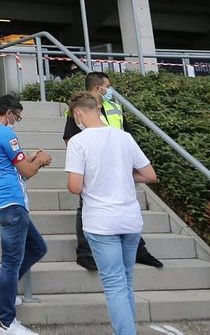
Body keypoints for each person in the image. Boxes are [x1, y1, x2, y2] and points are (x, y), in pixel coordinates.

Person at [64, 92, 158, 335]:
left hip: (100, 222)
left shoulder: (78, 142)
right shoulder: (124, 137)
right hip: (130, 219)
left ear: (77, 114)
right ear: (99, 109)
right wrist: (124, 175)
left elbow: (75, 186)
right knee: (125, 280)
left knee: (114, 285)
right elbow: (149, 175)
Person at [62, 72, 161, 270]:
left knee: (125, 211)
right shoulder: (77, 111)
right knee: (86, 208)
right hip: (95, 171)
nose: (110, 89)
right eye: (108, 85)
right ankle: (85, 253)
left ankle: (139, 251)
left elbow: (127, 134)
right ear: (98, 88)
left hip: (118, 168)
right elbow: (70, 138)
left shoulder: (114, 107)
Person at [0, 93, 51, 335]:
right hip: (12, 201)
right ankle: (7, 323)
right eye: (16, 117)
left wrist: (28, 159)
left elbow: (4, 162)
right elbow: (27, 171)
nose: (15, 122)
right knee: (11, 262)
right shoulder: (5, 133)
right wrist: (40, 160)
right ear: (8, 113)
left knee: (38, 247)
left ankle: (2, 294)